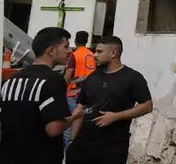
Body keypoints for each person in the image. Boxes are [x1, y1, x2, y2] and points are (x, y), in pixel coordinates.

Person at [0, 27, 85, 164]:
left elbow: (0, 124)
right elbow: (53, 129)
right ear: (51, 50)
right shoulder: (53, 80)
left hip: (7, 157)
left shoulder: (12, 80)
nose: (70, 51)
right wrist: (75, 115)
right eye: (66, 46)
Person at [65, 36, 153, 164]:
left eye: (99, 52)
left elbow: (147, 106)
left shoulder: (133, 78)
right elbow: (81, 108)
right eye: (95, 51)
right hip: (83, 143)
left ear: (113, 53)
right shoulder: (92, 77)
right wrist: (72, 140)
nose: (95, 55)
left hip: (113, 146)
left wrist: (115, 116)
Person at [63, 30, 96, 147]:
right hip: (89, 95)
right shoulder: (93, 55)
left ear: (75, 40)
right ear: (87, 41)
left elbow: (67, 76)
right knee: (82, 126)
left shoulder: (74, 55)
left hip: (74, 94)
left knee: (69, 127)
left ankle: (67, 156)